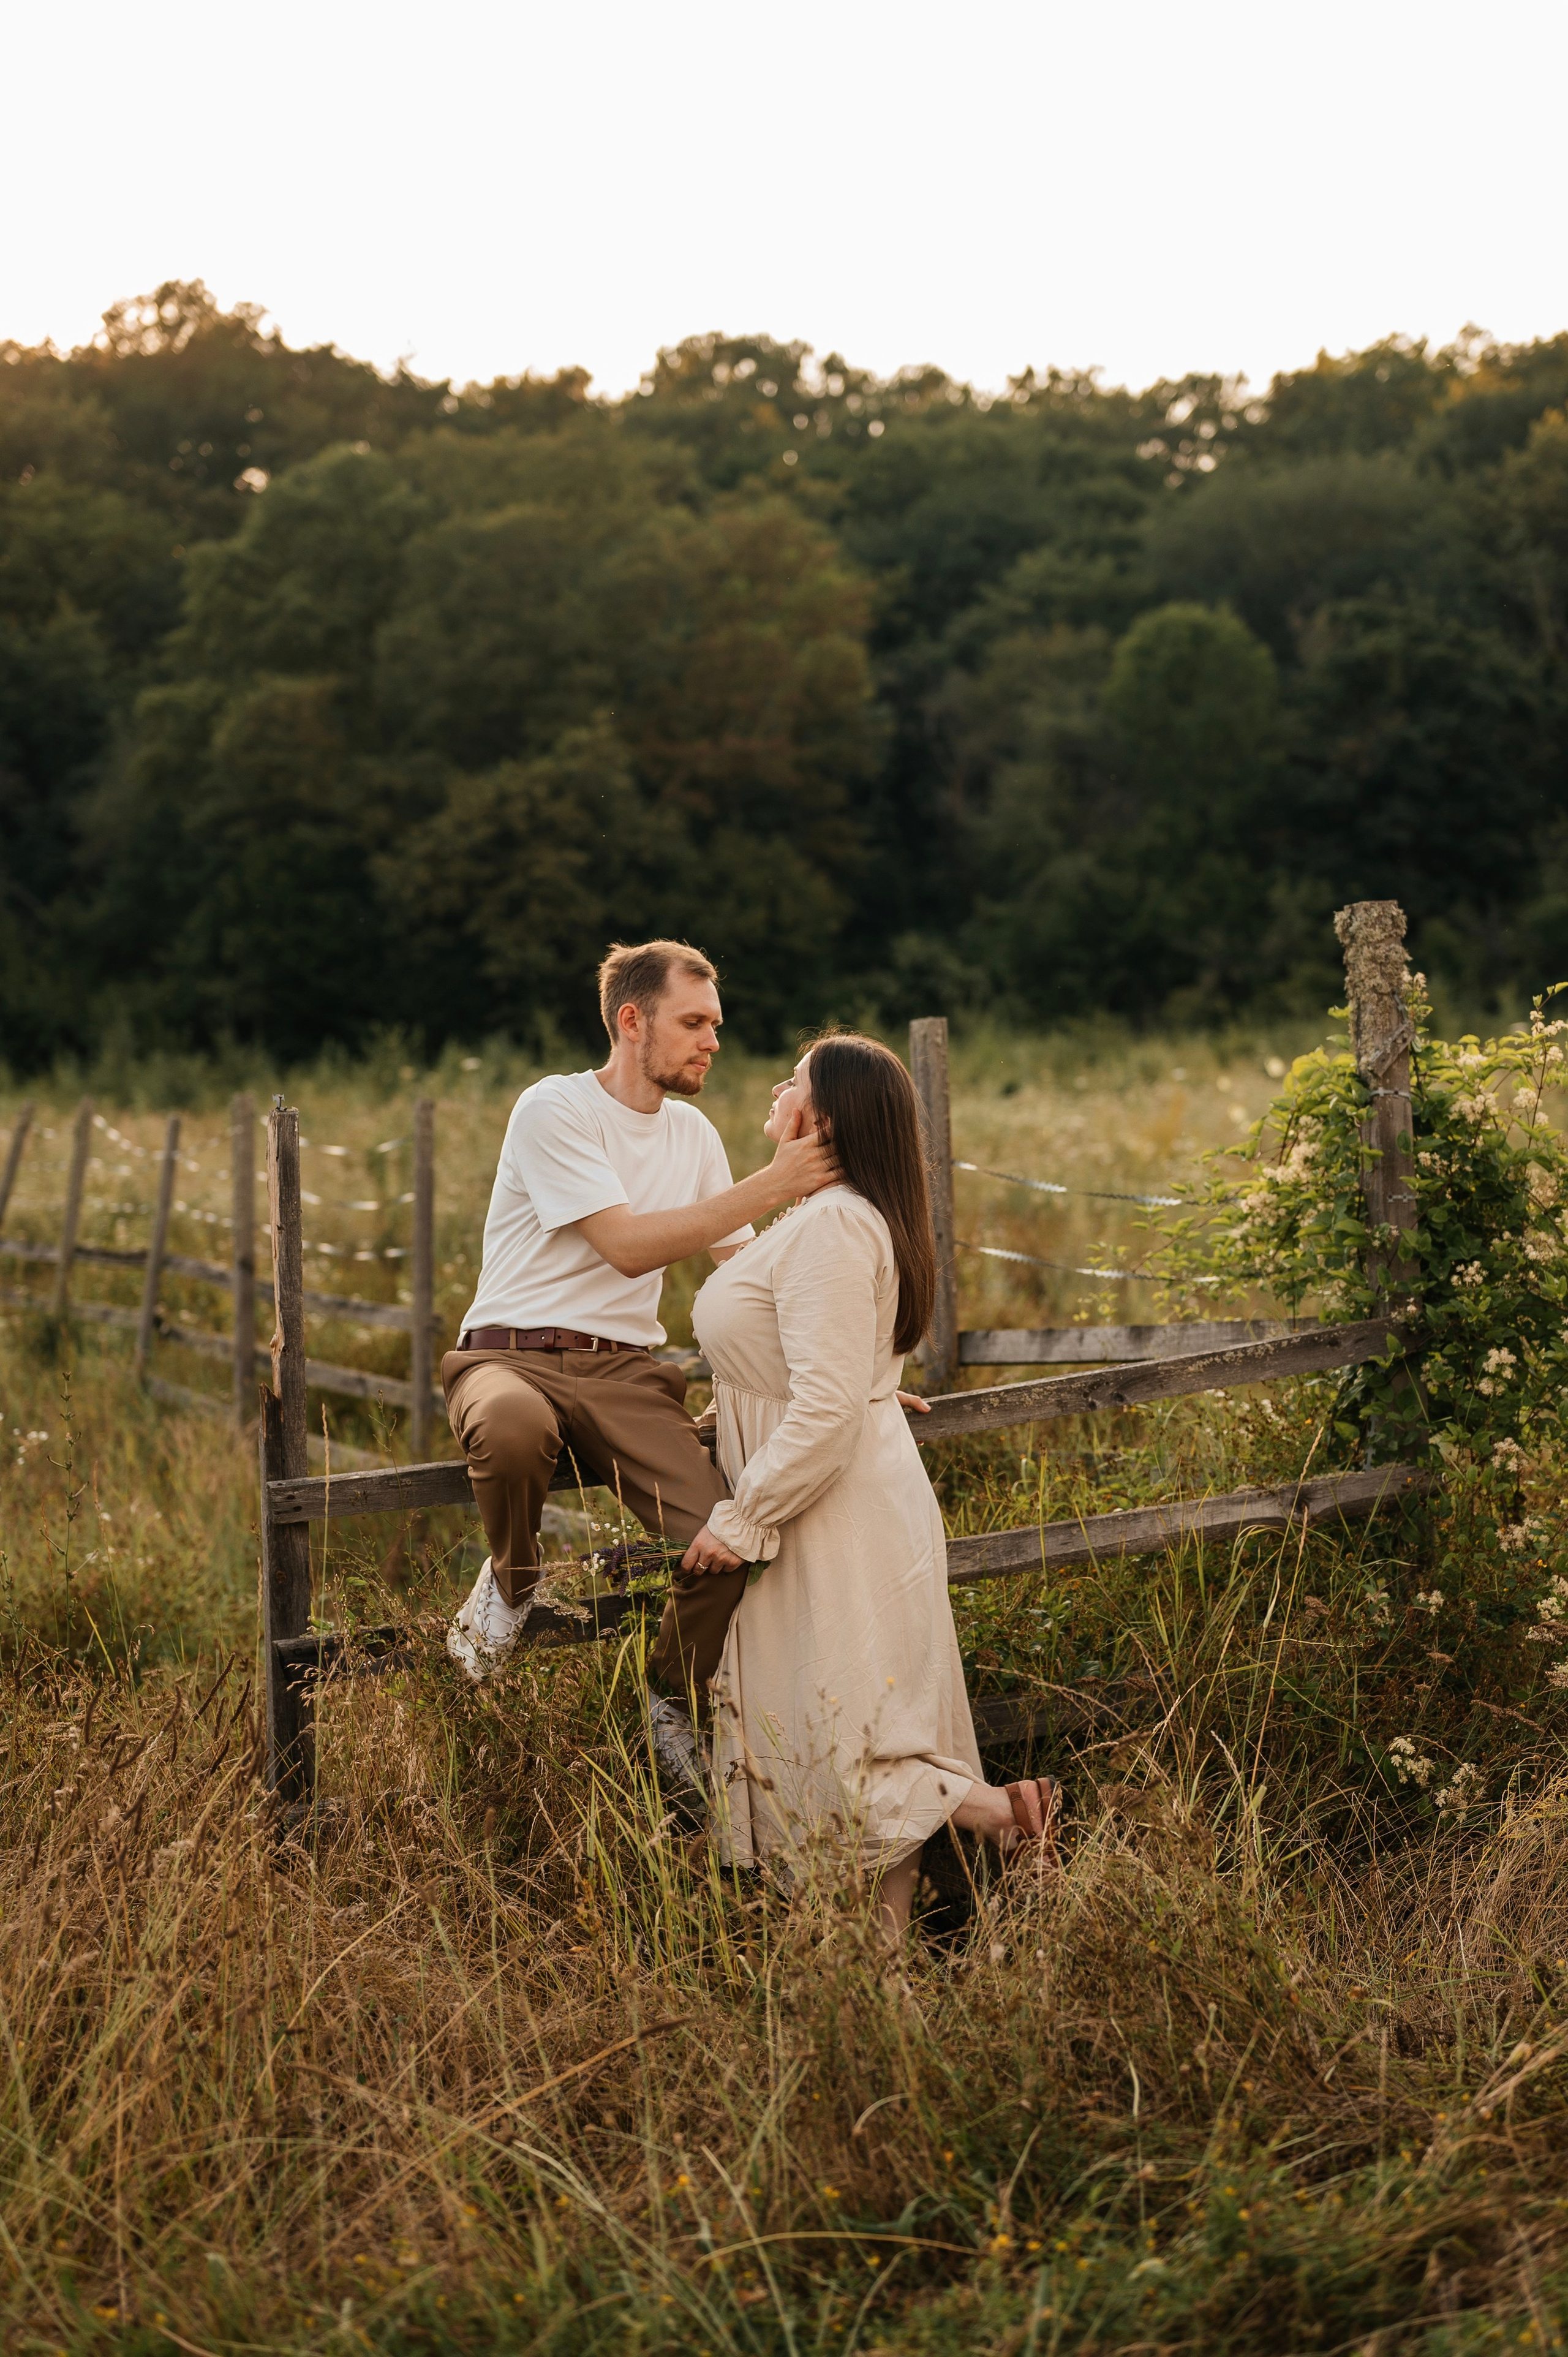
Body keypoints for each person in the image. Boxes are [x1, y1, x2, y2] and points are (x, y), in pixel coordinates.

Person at [682, 1032, 1058, 1936]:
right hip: (832, 1491)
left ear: (825, 1116)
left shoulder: (838, 1224)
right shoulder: (819, 1219)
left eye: (794, 1081)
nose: (776, 1089)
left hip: (826, 1512)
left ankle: (1008, 1816)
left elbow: (823, 1413)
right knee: (848, 1726)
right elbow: (821, 1376)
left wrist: (742, 1518)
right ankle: (883, 1975)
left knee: (844, 1736)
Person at [443, 938, 835, 1696]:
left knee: (727, 1536)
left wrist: (858, 1376)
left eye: (715, 1024)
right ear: (631, 1020)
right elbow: (624, 1246)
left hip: (624, 1371)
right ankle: (515, 1579)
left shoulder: (694, 1135)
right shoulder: (554, 1106)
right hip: (507, 1356)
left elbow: (748, 1275)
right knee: (515, 1426)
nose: (713, 1041)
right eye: (693, 1022)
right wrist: (772, 1182)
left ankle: (670, 1701)